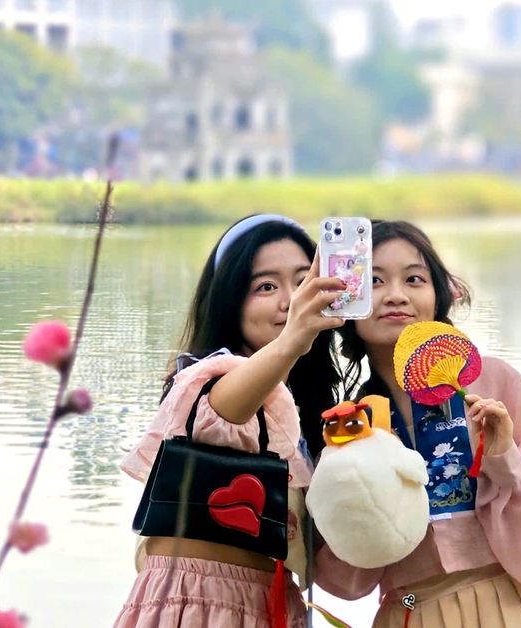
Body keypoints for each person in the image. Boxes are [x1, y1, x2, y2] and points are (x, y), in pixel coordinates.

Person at [314, 220, 521, 628]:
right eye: (373, 281)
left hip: (514, 603)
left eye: (414, 279)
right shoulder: (350, 423)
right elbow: (348, 578)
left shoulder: (493, 383)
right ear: (346, 300)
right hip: (409, 608)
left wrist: (503, 457)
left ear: (439, 296)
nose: (396, 295)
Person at [115, 215, 347, 628]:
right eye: (266, 287)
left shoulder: (303, 413)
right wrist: (293, 340)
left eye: (301, 282)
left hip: (273, 603)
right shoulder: (209, 379)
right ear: (228, 301)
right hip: (198, 604)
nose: (291, 300)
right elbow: (223, 411)